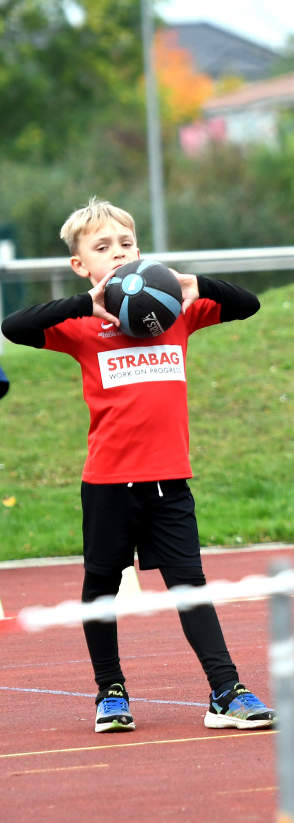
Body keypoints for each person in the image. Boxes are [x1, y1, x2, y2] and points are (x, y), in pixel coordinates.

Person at [1, 198, 275, 733]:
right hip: (108, 482)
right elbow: (13, 326)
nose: (118, 253)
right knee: (101, 586)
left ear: (141, 250)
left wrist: (197, 285)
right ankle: (111, 692)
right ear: (81, 264)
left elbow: (250, 304)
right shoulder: (81, 326)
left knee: (190, 585)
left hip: (169, 480)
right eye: (102, 248)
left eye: (125, 244)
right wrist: (85, 303)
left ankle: (226, 691)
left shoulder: (175, 315)